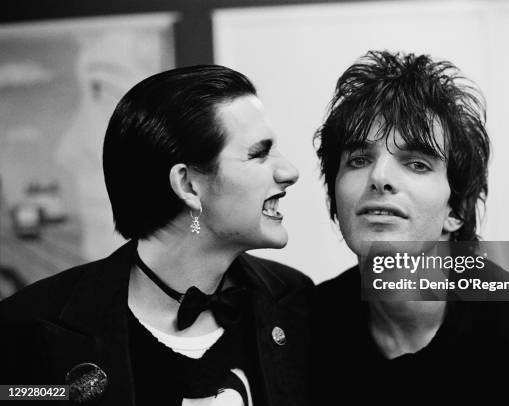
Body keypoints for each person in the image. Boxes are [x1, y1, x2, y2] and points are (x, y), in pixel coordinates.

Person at [0, 65, 312, 406]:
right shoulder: (30, 329)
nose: (289, 172)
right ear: (188, 186)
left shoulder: (292, 299)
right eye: (260, 153)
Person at [312, 51, 509, 404]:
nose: (379, 178)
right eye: (359, 160)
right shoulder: (308, 324)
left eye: (417, 164)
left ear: (456, 209)